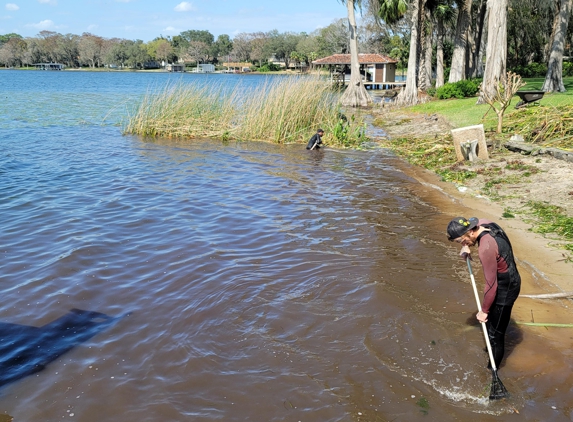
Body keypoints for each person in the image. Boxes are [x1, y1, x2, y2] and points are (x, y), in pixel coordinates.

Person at [446, 217, 521, 369]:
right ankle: (490, 348)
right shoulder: (485, 224)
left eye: (461, 241)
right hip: (509, 279)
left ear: (469, 232)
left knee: (496, 334)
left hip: (505, 288)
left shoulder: (485, 248)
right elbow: (475, 222)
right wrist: (467, 246)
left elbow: (491, 285)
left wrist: (484, 311)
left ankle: (492, 371)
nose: (462, 244)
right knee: (490, 327)